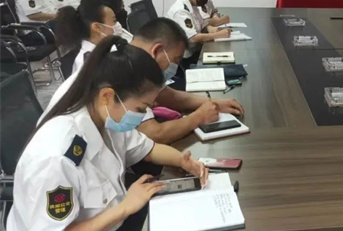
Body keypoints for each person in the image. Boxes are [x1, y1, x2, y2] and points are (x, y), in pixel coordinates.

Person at [7, 36, 217, 231]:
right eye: (141, 108)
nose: (142, 115)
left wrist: (183, 160)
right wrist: (125, 208)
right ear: (107, 95)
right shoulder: (56, 158)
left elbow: (146, 148)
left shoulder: (103, 115)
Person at [44, 18, 244, 145]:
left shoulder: (130, 56)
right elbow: (154, 134)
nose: (175, 67)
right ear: (157, 50)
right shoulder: (123, 69)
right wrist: (198, 117)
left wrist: (213, 104)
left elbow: (169, 96)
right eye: (175, 60)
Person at [166, 0, 230, 66]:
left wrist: (217, 30)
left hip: (194, 52)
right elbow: (193, 38)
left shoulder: (193, 6)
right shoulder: (181, 11)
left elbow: (202, 25)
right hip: (183, 60)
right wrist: (218, 35)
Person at [55, 0, 122, 75]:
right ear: (97, 27)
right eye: (114, 20)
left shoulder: (105, 47)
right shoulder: (89, 62)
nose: (117, 24)